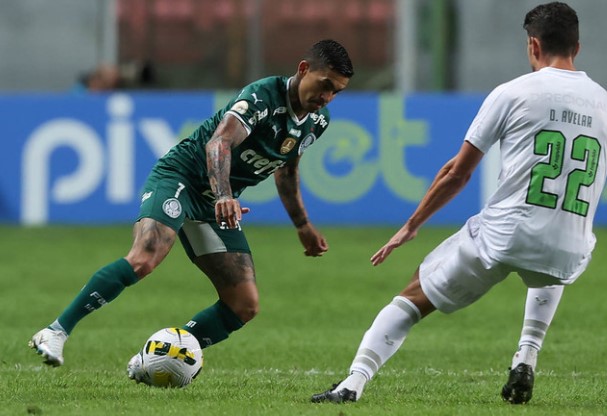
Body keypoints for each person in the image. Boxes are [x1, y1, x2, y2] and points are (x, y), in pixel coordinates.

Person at [311, 2, 607, 405]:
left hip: (506, 235)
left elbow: (458, 173)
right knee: (550, 261)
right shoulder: (603, 102)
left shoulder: (514, 92)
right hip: (570, 250)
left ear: (533, 45)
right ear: (578, 46)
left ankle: (352, 383)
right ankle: (527, 355)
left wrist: (412, 225)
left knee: (412, 297)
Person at [29, 40, 354, 380]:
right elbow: (219, 142)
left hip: (215, 202)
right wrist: (224, 194)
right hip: (181, 179)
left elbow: (286, 169)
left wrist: (302, 225)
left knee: (244, 305)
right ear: (303, 70)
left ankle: (157, 356)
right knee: (145, 258)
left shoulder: (317, 120)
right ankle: (55, 331)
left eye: (337, 92)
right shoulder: (262, 97)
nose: (327, 97)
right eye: (325, 86)